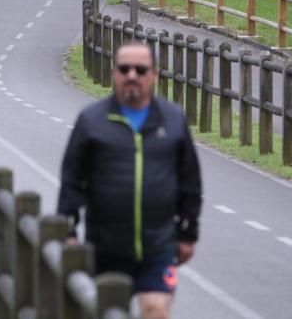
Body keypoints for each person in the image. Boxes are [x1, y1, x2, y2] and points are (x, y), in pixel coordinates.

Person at [57, 41, 202, 319]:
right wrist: (68, 229)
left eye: (140, 69)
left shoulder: (172, 120)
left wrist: (188, 234)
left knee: (155, 310)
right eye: (124, 69)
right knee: (108, 312)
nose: (132, 75)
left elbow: (190, 181)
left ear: (154, 75)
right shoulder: (92, 121)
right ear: (114, 73)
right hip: (104, 248)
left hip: (158, 247)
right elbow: (72, 179)